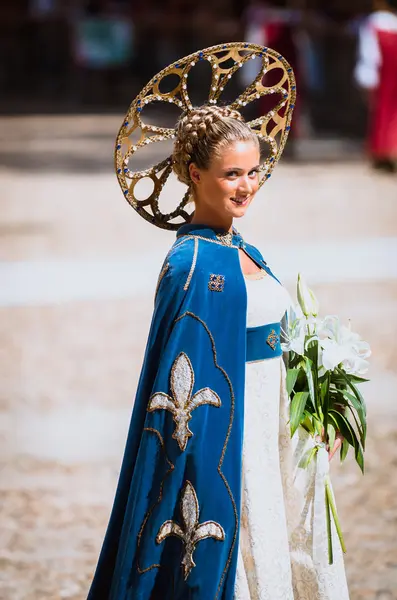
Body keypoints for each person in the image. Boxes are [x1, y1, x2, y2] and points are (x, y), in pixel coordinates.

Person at [87, 43, 349, 599]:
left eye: (254, 172)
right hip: (230, 443)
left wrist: (316, 410)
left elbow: (283, 338)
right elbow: (177, 394)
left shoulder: (246, 249)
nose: (247, 186)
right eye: (232, 174)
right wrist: (199, 469)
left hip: (278, 432)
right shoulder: (190, 265)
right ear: (192, 172)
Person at [354, 0, 397, 172]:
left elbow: (369, 51)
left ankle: (383, 151)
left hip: (383, 74)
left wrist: (366, 76)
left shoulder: (373, 22)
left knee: (382, 111)